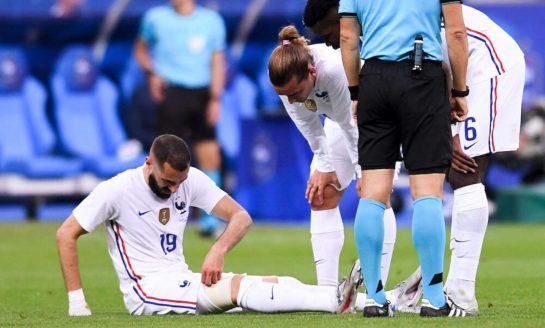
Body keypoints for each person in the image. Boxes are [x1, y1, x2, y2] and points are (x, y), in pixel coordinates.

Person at [56, 134, 364, 316]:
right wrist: (76, 302)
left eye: (180, 182)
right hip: (146, 291)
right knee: (240, 289)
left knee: (277, 282)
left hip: (180, 278)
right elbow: (66, 233)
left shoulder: (188, 181)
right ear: (148, 163)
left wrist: (219, 247)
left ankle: (374, 301)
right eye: (167, 182)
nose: (175, 190)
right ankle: (332, 299)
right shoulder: (116, 190)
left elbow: (241, 216)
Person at [338, 0, 469, 317]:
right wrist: (460, 91)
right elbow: (456, 33)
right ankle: (434, 299)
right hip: (421, 75)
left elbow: (346, 38)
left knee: (373, 192)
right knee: (427, 191)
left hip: (374, 78)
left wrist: (356, 92)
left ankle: (374, 298)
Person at [267, 25, 397, 290]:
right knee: (321, 194)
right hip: (343, 121)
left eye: (294, 93)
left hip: (382, 118)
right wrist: (325, 166)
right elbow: (310, 127)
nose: (290, 101)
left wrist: (363, 172)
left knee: (376, 196)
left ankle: (376, 288)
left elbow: (352, 124)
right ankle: (326, 294)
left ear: (312, 72)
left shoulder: (334, 69)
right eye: (284, 96)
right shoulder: (286, 82)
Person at [441, 4, 525, 315]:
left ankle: (461, 292)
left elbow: (439, 66)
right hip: (467, 65)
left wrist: (448, 133)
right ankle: (447, 285)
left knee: (464, 169)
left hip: (488, 63)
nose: (331, 40)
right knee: (450, 171)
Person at [134, 0, 225, 237]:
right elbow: (140, 50)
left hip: (201, 93)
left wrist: (216, 98)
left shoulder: (211, 21)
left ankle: (208, 223)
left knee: (210, 155)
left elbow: (217, 61)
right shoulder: (154, 18)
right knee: (164, 157)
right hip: (171, 91)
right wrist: (152, 74)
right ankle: (157, 217)